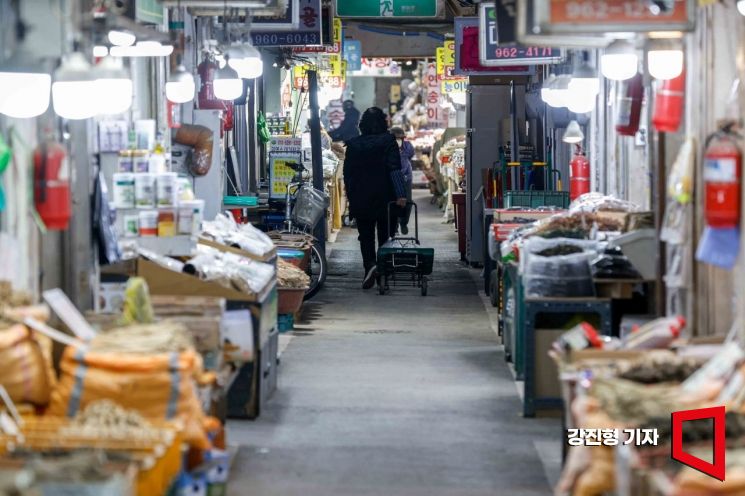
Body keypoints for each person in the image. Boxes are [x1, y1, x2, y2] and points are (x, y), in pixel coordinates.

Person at [344, 107, 408, 289]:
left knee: (365, 236)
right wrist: (401, 195)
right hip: (385, 196)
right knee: (385, 235)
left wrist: (350, 196)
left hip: (360, 197)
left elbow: (347, 174)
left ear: (362, 125)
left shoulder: (354, 144)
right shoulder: (388, 142)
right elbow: (394, 169)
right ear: (383, 123)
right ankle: (382, 272)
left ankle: (369, 267)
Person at [390, 127, 415, 235]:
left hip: (406, 177)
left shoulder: (408, 146)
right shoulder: (386, 147)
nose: (398, 140)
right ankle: (393, 226)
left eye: (401, 138)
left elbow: (410, 155)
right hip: (391, 177)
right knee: (392, 202)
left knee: (408, 201)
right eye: (396, 138)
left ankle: (403, 222)